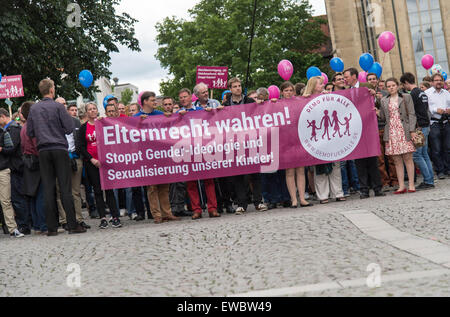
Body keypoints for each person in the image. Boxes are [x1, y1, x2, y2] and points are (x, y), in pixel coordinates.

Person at [27, 79, 86, 236]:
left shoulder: (34, 109)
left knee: (48, 188)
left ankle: (51, 228)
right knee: (65, 187)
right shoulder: (58, 107)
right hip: (59, 148)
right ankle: (72, 225)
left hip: (43, 151)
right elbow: (68, 128)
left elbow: (30, 132)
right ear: (52, 90)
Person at [223, 77, 268, 214]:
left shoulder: (249, 102)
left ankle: (258, 201)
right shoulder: (225, 105)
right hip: (234, 143)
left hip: (250, 141)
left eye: (239, 86)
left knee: (255, 173)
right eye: (235, 86)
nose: (238, 88)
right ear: (230, 89)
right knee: (238, 175)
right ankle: (241, 203)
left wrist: (261, 104)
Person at [136, 92, 180, 224]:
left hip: (161, 154)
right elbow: (130, 133)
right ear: (144, 102)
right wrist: (139, 123)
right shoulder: (136, 117)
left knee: (164, 186)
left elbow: (171, 126)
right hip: (147, 155)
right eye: (152, 100)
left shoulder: (160, 114)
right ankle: (156, 214)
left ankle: (167, 213)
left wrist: (176, 116)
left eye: (155, 100)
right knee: (152, 187)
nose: (155, 102)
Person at [178, 88, 221, 220]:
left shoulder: (200, 111)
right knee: (191, 182)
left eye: (185, 96)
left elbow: (214, 121)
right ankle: (196, 209)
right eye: (181, 98)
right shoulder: (178, 114)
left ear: (191, 97)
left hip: (202, 148)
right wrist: (177, 116)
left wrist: (212, 112)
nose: (183, 99)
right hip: (187, 149)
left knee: (208, 180)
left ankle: (212, 208)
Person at [78, 102, 122, 229]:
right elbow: (81, 146)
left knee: (109, 189)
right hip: (92, 163)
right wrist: (91, 159)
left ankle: (115, 217)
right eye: (90, 109)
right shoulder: (83, 128)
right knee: (97, 190)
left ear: (97, 110)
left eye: (94, 109)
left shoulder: (103, 123)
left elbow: (112, 137)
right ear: (86, 112)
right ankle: (103, 218)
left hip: (106, 161)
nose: (92, 111)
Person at [304, 76, 345, 204]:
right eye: (320, 84)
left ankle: (338, 192)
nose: (323, 85)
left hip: (331, 136)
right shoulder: (305, 100)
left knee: (335, 164)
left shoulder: (327, 96)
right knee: (320, 166)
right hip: (316, 137)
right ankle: (322, 195)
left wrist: (329, 96)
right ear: (313, 86)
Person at [344, 68, 383, 199]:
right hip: (355, 129)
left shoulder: (366, 86)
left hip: (369, 127)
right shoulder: (345, 91)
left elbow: (378, 104)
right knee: (359, 161)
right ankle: (364, 189)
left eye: (347, 77)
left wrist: (374, 95)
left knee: (373, 159)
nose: (345, 79)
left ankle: (377, 188)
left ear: (354, 76)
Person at [378, 78, 417, 194]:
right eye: (388, 86)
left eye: (393, 85)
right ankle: (401, 186)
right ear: (386, 88)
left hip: (403, 129)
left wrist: (412, 130)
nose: (391, 88)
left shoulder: (406, 97)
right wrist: (377, 112)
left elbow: (412, 114)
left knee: (408, 158)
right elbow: (384, 117)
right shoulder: (384, 100)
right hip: (391, 131)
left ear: (398, 86)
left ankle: (411, 184)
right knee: (396, 160)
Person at [400, 72, 435, 189]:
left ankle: (428, 180)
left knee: (417, 155)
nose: (403, 87)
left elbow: (412, 112)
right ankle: (430, 180)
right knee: (424, 154)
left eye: (403, 84)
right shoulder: (422, 92)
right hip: (426, 124)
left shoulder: (412, 94)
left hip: (419, 126)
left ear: (405, 82)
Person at [20, 102, 47, 235]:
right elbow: (38, 146)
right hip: (36, 162)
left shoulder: (24, 127)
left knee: (34, 195)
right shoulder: (32, 127)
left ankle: (37, 225)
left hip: (28, 163)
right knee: (41, 194)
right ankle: (43, 225)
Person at [0, 108, 25, 238]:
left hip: (3, 169)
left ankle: (12, 228)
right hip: (6, 168)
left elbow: (10, 148)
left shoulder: (5, 131)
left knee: (6, 200)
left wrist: (1, 149)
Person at [425, 73, 450, 179]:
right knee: (436, 149)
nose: (438, 82)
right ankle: (440, 170)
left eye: (440, 80)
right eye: (436, 80)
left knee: (448, 148)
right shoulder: (427, 93)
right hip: (434, 123)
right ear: (432, 82)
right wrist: (436, 110)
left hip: (445, 122)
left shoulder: (446, 93)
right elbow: (425, 108)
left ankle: (448, 169)